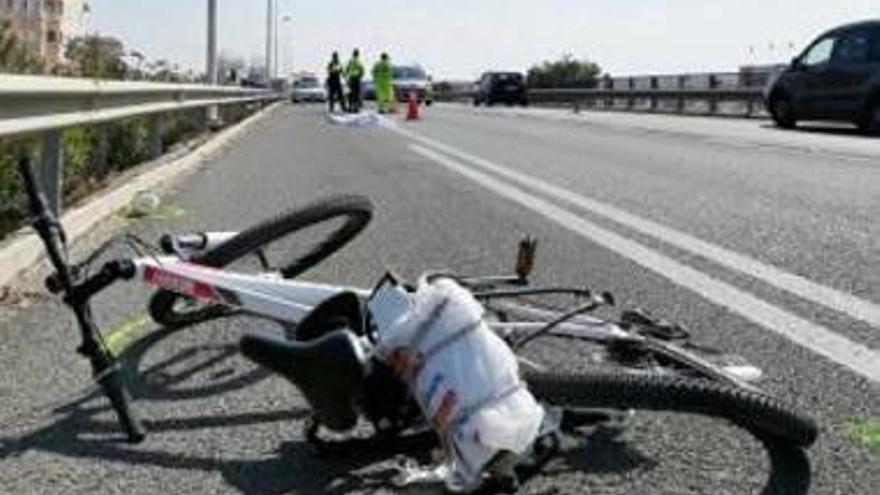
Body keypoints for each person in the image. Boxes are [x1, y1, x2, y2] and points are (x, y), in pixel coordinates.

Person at [345, 48, 365, 113]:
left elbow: (347, 70)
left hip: (351, 78)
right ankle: (356, 107)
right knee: (357, 93)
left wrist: (347, 78)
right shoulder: (359, 61)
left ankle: (351, 106)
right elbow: (362, 70)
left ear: (353, 54)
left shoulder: (350, 61)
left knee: (351, 93)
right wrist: (360, 76)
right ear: (358, 54)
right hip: (357, 78)